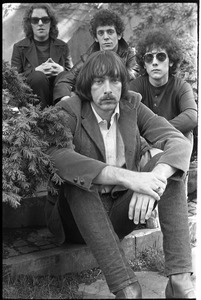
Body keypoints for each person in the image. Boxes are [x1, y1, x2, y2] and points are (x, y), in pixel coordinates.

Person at [45, 50, 195, 298]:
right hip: (75, 221)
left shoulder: (131, 104)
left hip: (119, 214)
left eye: (115, 80)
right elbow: (58, 157)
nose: (108, 89)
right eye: (99, 81)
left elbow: (177, 141)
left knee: (168, 165)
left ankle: (179, 280)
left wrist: (153, 181)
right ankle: (127, 287)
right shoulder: (69, 109)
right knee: (78, 179)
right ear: (86, 85)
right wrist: (131, 178)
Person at [129, 27, 197, 150]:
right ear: (144, 63)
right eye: (149, 57)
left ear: (170, 61)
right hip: (145, 147)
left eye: (160, 56)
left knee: (187, 133)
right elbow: (125, 118)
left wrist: (159, 131)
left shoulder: (181, 87)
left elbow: (191, 116)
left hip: (172, 144)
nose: (154, 62)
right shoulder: (135, 86)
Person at [52, 8, 139, 104]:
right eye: (101, 33)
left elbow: (127, 79)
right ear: (96, 38)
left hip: (122, 103)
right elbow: (65, 80)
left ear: (119, 35)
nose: (106, 37)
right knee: (62, 75)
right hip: (95, 105)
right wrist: (66, 98)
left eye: (110, 32)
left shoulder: (131, 55)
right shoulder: (89, 57)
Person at [11, 3, 73, 109]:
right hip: (33, 101)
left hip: (57, 97)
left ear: (51, 22)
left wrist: (61, 70)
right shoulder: (19, 47)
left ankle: (64, 114)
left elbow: (73, 75)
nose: (40, 23)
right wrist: (36, 71)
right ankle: (42, 119)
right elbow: (14, 80)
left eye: (45, 19)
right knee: (38, 76)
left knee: (63, 75)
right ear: (30, 24)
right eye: (35, 20)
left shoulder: (63, 46)